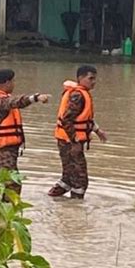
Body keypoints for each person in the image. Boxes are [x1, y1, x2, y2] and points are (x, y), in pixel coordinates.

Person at [0, 69, 49, 196]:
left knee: (2, 184)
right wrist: (35, 98)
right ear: (7, 82)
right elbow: (15, 102)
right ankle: (8, 212)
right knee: (11, 185)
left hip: (2, 149)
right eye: (13, 81)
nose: (14, 84)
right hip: (2, 151)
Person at [48, 65, 107, 199]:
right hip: (70, 142)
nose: (94, 82)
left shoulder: (80, 93)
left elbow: (83, 119)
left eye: (95, 79)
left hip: (67, 140)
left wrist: (97, 130)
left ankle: (54, 198)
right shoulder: (78, 96)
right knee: (80, 179)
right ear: (80, 78)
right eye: (90, 78)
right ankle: (76, 210)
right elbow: (66, 119)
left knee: (69, 176)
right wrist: (74, 141)